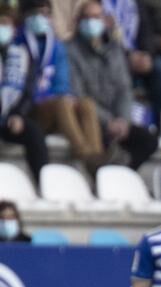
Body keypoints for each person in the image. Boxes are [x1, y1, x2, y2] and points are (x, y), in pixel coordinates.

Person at [10, 0, 105, 169]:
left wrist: (66, 98)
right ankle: (85, 155)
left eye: (46, 13)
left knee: (86, 104)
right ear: (26, 16)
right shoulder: (17, 44)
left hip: (53, 109)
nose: (42, 18)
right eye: (37, 13)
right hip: (29, 110)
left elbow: (62, 82)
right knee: (62, 103)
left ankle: (97, 157)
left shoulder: (56, 46)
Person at [66, 0, 159, 170]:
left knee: (148, 141)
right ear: (78, 21)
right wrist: (108, 122)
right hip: (92, 121)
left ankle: (121, 174)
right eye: (86, 17)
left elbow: (124, 89)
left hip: (117, 119)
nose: (91, 22)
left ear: (106, 20)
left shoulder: (115, 49)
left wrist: (122, 119)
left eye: (96, 17)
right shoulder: (70, 50)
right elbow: (78, 94)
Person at [0, 6, 49, 184]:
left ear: (14, 29)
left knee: (34, 133)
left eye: (4, 24)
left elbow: (28, 92)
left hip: (8, 117)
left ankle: (43, 183)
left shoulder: (23, 55)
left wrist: (18, 115)